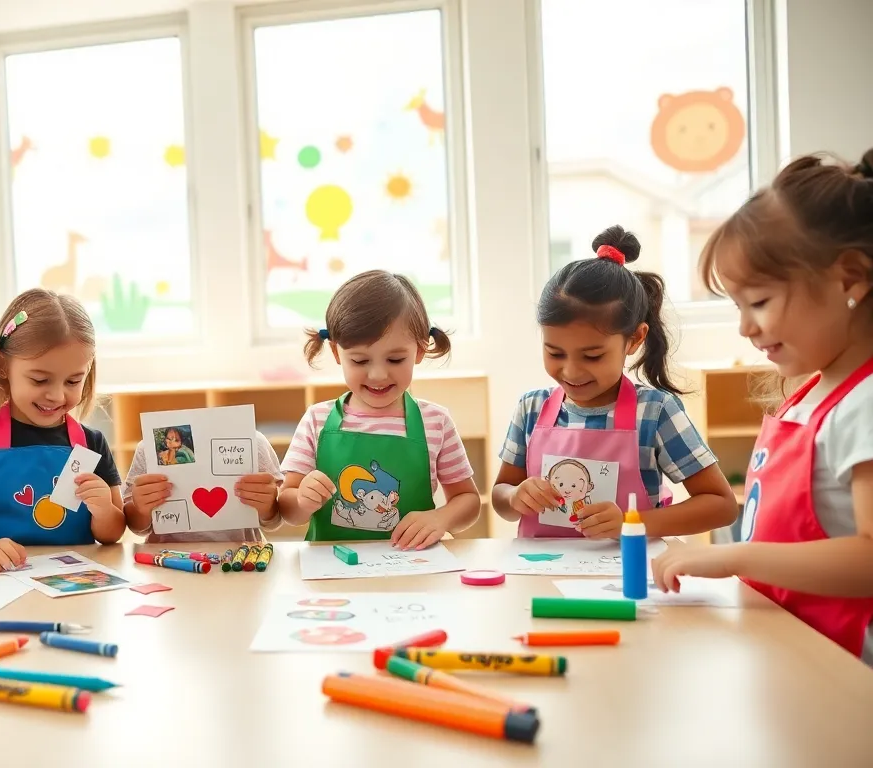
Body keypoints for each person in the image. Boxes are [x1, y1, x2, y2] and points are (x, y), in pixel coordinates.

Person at [654, 150, 873, 667]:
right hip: (796, 653)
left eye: (759, 302)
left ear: (849, 279)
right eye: (737, 307)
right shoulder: (810, 391)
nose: (745, 328)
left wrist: (729, 555)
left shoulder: (865, 403)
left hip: (846, 672)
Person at [491, 226, 736, 539]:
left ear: (634, 339)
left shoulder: (655, 412)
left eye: (592, 356)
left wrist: (632, 524)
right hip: (544, 573)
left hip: (629, 575)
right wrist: (515, 497)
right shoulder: (531, 408)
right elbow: (502, 496)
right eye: (555, 353)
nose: (572, 371)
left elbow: (721, 505)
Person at [275, 270, 481, 547]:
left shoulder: (436, 421)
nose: (378, 375)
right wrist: (302, 500)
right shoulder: (317, 420)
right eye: (360, 361)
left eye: (395, 359)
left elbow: (468, 501)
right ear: (337, 353)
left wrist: (440, 518)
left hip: (414, 567)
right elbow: (288, 508)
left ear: (420, 350)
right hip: (335, 571)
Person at [0, 290, 125, 572]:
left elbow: (112, 533)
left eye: (73, 381)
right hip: (1, 577)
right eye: (39, 380)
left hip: (76, 579)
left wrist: (104, 510)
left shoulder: (91, 443)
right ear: (2, 366)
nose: (57, 396)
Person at [124, 431, 283, 543]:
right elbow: (137, 526)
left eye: (176, 439)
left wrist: (268, 508)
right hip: (166, 561)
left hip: (242, 561)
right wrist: (141, 510)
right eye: (169, 439)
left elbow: (274, 521)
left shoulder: (254, 442)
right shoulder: (148, 449)